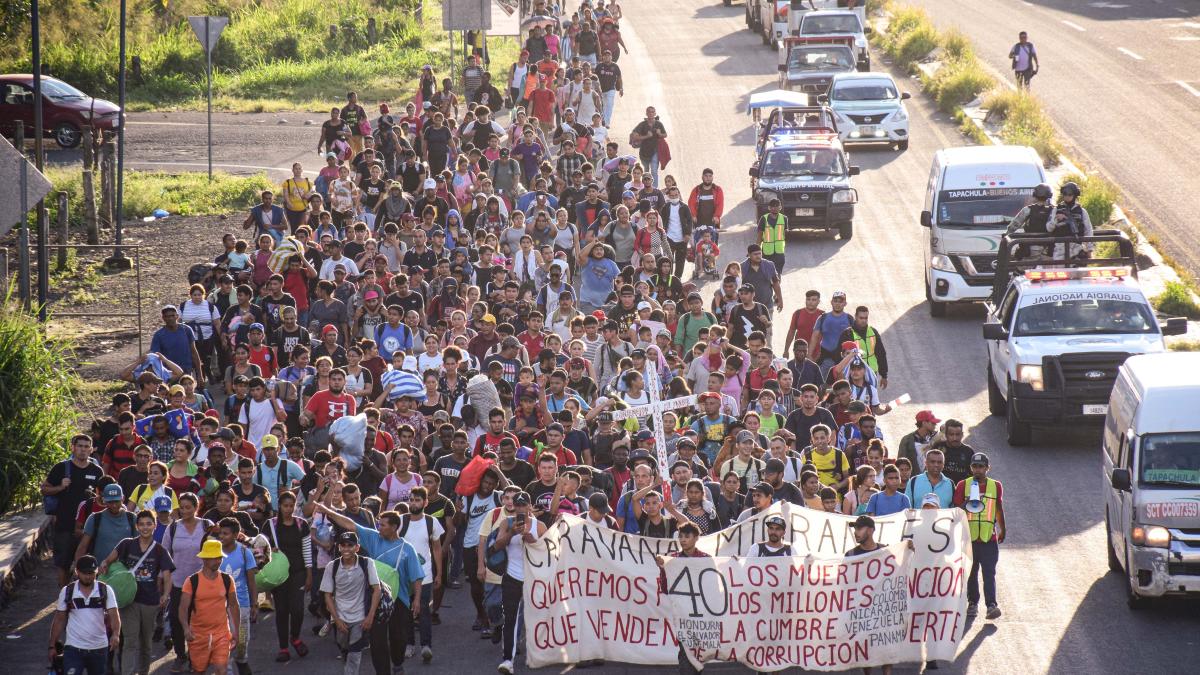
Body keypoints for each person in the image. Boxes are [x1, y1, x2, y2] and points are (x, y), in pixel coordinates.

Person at [313, 502, 425, 675]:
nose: (378, 527)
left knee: (398, 638)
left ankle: (398, 663)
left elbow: (416, 577)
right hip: (376, 598)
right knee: (378, 642)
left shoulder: (407, 549)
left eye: (383, 525)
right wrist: (328, 511)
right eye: (379, 523)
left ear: (394, 527)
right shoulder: (373, 538)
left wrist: (417, 599)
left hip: (400, 599)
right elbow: (349, 524)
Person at [100, 509, 174, 675]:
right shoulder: (127, 544)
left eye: (149, 524)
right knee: (130, 642)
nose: (145, 527)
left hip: (150, 601)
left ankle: (143, 672)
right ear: (136, 526)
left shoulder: (160, 550)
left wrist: (165, 595)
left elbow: (168, 576)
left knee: (146, 644)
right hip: (129, 600)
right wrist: (104, 564)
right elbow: (109, 559)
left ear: (155, 525)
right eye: (141, 524)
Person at [491, 492, 546, 675]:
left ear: (530, 506)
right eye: (518, 505)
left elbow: (547, 553)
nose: (521, 508)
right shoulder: (506, 522)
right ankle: (508, 659)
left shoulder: (540, 526)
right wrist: (512, 532)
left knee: (537, 616)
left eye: (524, 505)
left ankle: (536, 654)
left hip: (534, 578)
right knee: (511, 618)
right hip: (512, 576)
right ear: (513, 506)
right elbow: (498, 545)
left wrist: (528, 537)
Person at [47, 554, 121, 675]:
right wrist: (52, 646)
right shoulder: (67, 591)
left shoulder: (105, 590)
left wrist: (116, 635)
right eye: (85, 573)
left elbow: (114, 615)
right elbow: (59, 619)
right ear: (77, 572)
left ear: (96, 572)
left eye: (91, 573)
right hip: (73, 649)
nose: (88, 576)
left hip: (99, 649)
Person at [320, 531, 382, 675]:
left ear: (357, 547)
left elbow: (376, 589)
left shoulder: (367, 563)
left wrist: (370, 616)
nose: (347, 549)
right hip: (340, 618)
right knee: (345, 649)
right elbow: (327, 595)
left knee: (355, 652)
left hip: (360, 618)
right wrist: (336, 619)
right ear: (339, 547)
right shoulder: (332, 566)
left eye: (350, 545)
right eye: (343, 545)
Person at [953, 452, 1005, 621]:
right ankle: (972, 602)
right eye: (975, 466)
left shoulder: (995, 486)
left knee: (989, 572)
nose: (978, 470)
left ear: (987, 468)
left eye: (981, 466)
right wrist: (968, 502)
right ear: (970, 468)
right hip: (969, 537)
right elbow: (956, 511)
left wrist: (1002, 529)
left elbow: (998, 508)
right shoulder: (963, 485)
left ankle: (991, 605)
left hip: (988, 537)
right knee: (971, 572)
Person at [177, 540, 241, 675]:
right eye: (213, 558)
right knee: (199, 671)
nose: (217, 561)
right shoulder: (192, 581)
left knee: (221, 669)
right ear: (204, 559)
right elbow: (183, 608)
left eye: (219, 557)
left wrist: (236, 632)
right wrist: (186, 629)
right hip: (198, 635)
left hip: (222, 634)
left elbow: (234, 606)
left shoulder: (227, 580)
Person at [654, 521, 710, 675]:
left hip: (702, 617)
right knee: (686, 656)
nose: (683, 540)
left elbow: (713, 587)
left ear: (696, 538)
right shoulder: (672, 560)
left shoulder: (706, 559)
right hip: (683, 616)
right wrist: (663, 570)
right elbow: (666, 589)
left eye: (687, 536)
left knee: (698, 656)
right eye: (681, 536)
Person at [756, 198, 787, 272]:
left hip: (779, 252)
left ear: (780, 207)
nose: (775, 208)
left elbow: (784, 234)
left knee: (778, 274)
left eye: (777, 206)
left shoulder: (784, 219)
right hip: (767, 252)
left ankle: (777, 283)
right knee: (767, 273)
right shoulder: (764, 219)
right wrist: (756, 249)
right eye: (773, 206)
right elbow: (759, 236)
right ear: (769, 207)